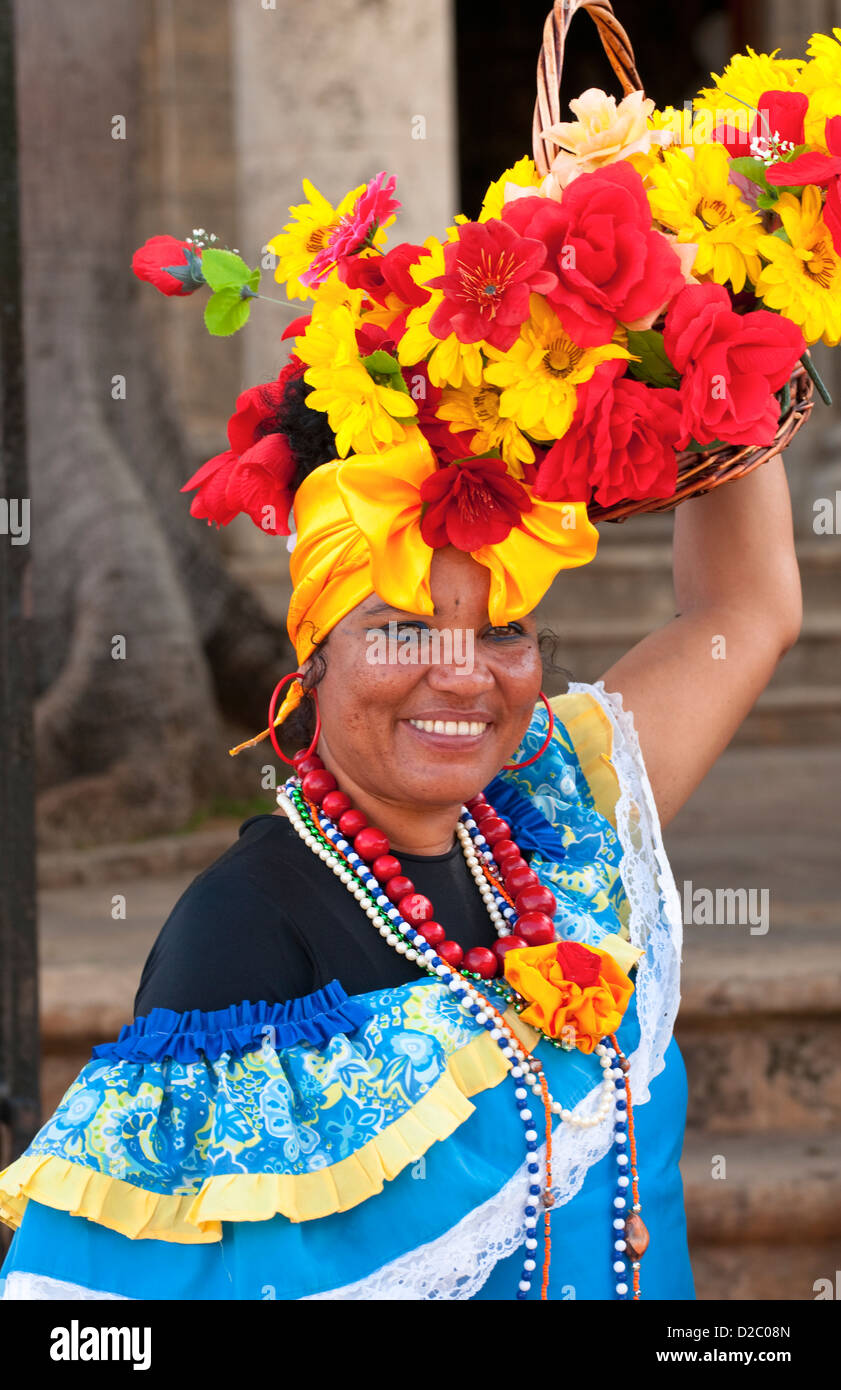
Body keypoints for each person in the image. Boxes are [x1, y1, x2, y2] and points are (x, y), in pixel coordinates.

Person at [0, 402, 801, 1300]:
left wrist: (726, 338)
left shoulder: (555, 811)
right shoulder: (247, 924)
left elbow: (744, 610)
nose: (463, 672)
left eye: (500, 630)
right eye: (403, 628)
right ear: (313, 661)